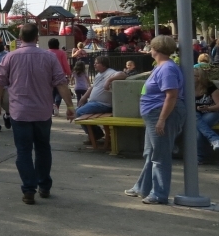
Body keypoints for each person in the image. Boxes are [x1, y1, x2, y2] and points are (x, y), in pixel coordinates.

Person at [0, 22, 74, 205]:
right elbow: (61, 83)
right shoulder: (49, 57)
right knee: (43, 149)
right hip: (43, 112)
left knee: (23, 151)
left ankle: (29, 189)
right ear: (37, 38)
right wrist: (69, 105)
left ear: (20, 38)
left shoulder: (9, 58)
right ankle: (44, 185)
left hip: (19, 112)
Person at [125, 35, 185, 204]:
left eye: (151, 47)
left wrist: (161, 119)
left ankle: (159, 194)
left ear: (156, 49)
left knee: (160, 155)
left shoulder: (167, 69)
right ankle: (143, 187)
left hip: (161, 114)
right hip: (154, 114)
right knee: (151, 153)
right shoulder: (162, 67)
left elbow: (171, 95)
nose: (149, 50)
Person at [75, 56, 124, 146]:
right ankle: (95, 134)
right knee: (76, 111)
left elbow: (123, 74)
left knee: (79, 112)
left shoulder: (110, 72)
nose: (94, 64)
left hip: (103, 105)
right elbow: (93, 87)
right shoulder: (98, 74)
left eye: (97, 63)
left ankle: (95, 134)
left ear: (104, 65)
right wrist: (84, 98)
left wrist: (109, 80)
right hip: (94, 103)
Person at [192, 67, 219, 162]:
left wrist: (207, 108)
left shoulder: (210, 87)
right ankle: (215, 139)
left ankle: (199, 158)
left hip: (212, 112)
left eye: (193, 75)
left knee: (198, 129)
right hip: (196, 115)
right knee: (194, 118)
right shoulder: (188, 87)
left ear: (199, 77)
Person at [46, 38, 72, 115]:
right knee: (59, 93)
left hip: (49, 76)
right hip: (60, 75)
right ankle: (57, 105)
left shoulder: (46, 53)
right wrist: (68, 73)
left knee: (51, 93)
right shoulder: (62, 53)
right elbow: (65, 64)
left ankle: (52, 106)